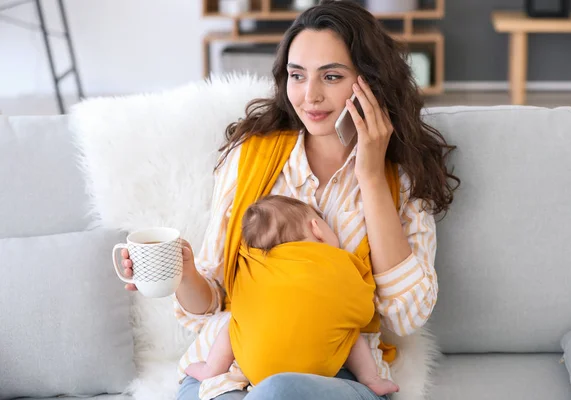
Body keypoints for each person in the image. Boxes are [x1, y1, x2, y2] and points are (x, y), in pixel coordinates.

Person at [120, 0, 460, 399]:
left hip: (337, 374)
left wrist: (370, 176)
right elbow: (210, 309)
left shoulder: (398, 179)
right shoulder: (250, 157)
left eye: (331, 76)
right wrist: (184, 273)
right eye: (297, 76)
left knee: (278, 392)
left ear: (370, 82)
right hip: (228, 374)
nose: (310, 96)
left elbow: (405, 316)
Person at [184, 195, 400, 396]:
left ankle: (211, 368)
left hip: (255, 369)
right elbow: (364, 312)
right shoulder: (339, 263)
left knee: (233, 325)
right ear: (317, 229)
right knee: (351, 334)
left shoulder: (250, 266)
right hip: (320, 371)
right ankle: (371, 378)